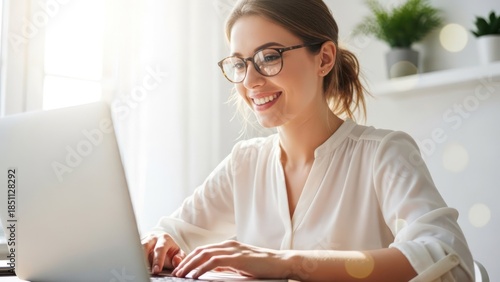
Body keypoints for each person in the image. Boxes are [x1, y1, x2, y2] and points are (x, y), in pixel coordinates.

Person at [141, 0, 474, 280]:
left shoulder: (383, 154)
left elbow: (448, 258)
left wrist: (286, 262)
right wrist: (156, 241)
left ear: (324, 59)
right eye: (240, 64)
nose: (250, 80)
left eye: (269, 57)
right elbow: (172, 233)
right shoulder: (245, 164)